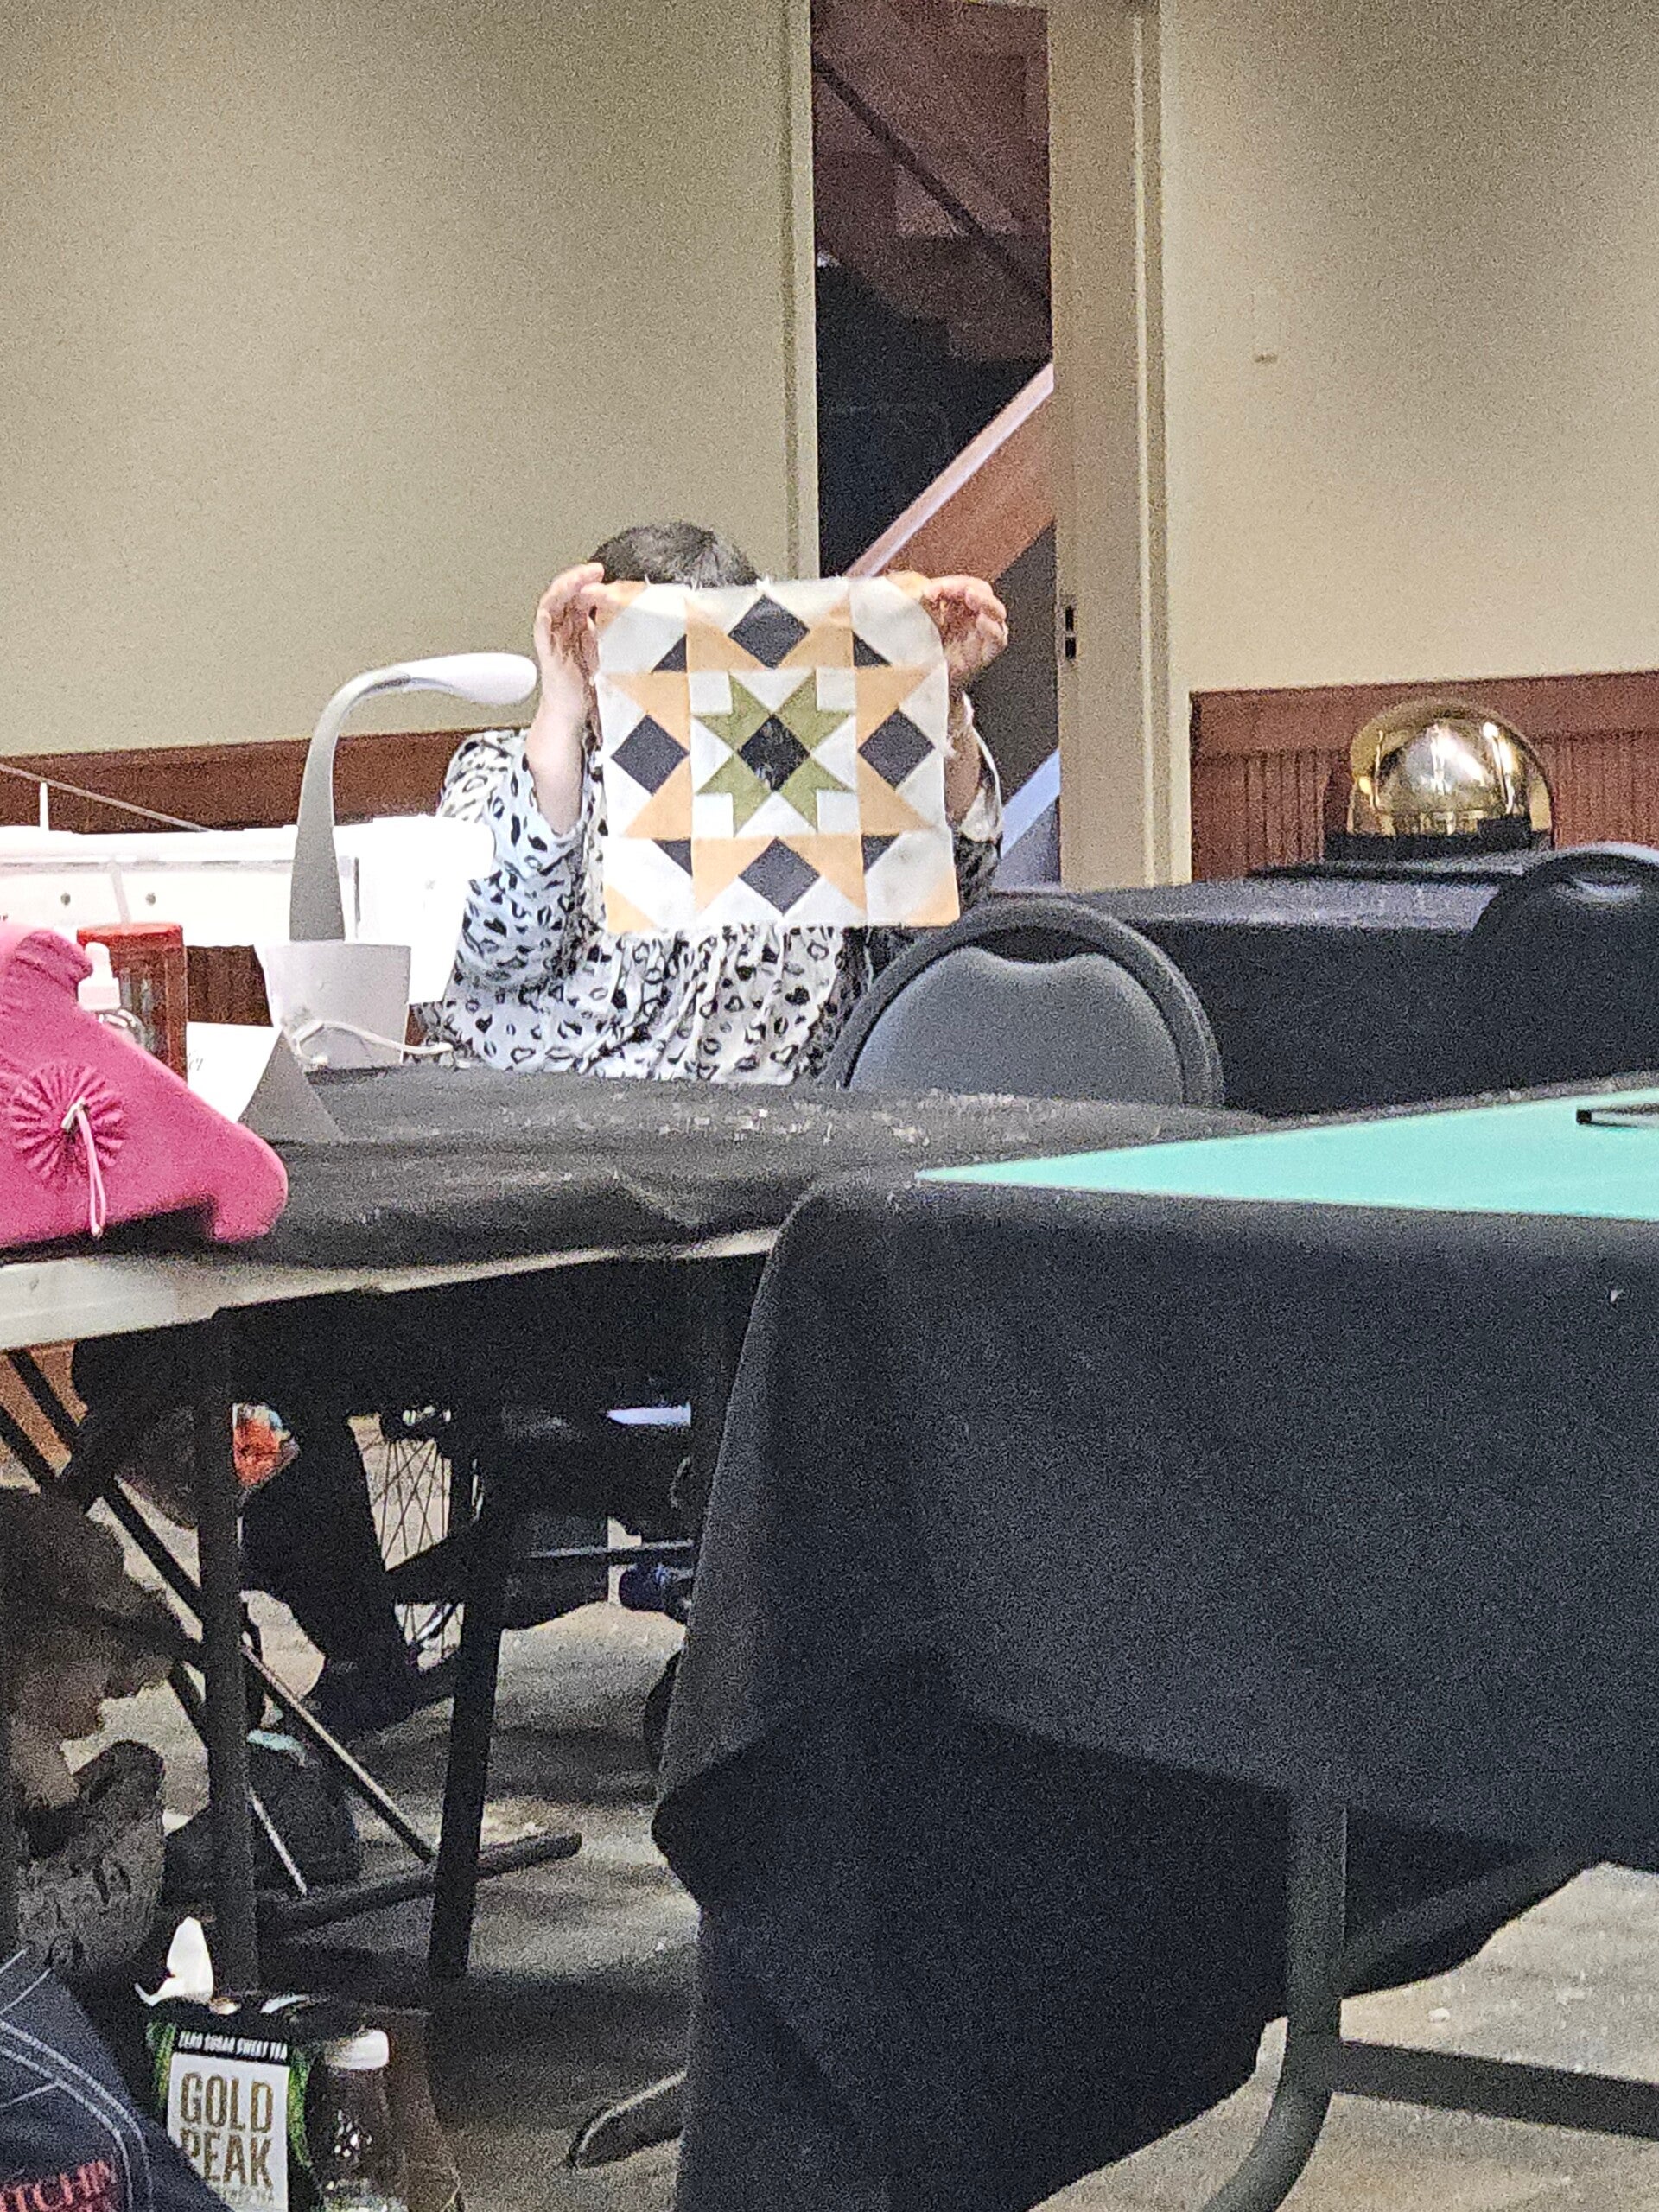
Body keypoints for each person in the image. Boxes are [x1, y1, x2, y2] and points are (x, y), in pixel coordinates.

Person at [429, 520, 1007, 1076]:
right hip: (556, 1122)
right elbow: (493, 950)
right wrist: (561, 715)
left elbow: (930, 925)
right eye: (654, 648)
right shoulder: (498, 766)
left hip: (787, 1122)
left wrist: (935, 700)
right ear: (591, 648)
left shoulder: (812, 767)